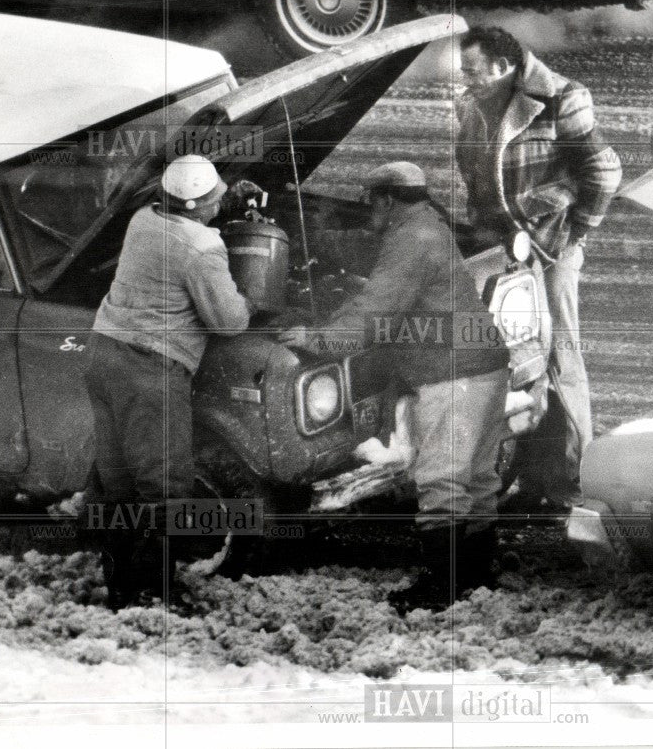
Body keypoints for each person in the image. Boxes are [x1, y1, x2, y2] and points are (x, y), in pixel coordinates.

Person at [277, 162, 510, 613]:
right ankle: (477, 576)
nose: (368, 214)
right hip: (485, 366)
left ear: (385, 200)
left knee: (441, 479)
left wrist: (317, 338)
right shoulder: (430, 227)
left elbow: (376, 310)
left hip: (453, 375)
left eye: (370, 204)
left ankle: (440, 588)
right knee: (478, 477)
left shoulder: (412, 239)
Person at [455, 25, 623, 512]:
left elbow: (604, 172)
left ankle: (575, 479)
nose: (466, 81)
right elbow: (474, 179)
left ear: (504, 68)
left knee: (561, 359)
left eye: (473, 71)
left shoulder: (562, 98)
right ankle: (534, 477)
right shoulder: (471, 104)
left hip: (550, 250)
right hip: (505, 251)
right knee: (519, 361)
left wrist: (575, 233)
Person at [85, 154, 254, 609]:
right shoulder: (202, 248)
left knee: (117, 483)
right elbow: (229, 322)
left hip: (103, 355)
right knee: (165, 487)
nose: (219, 205)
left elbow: (187, 210)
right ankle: (153, 591)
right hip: (150, 370)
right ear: (199, 206)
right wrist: (252, 299)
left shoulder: (142, 219)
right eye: (214, 200)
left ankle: (120, 586)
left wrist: (226, 202)